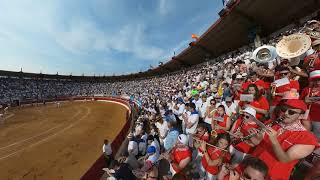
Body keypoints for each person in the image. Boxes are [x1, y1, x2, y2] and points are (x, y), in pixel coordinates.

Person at [248, 99, 318, 180]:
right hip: (251, 168)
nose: (286, 113)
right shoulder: (272, 123)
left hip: (272, 175)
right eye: (284, 109)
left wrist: (274, 140)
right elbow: (259, 144)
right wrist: (255, 139)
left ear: (301, 116)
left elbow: (284, 159)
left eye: (291, 112)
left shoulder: (308, 138)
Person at [301, 70, 320, 138]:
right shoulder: (306, 90)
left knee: (317, 136)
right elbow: (299, 102)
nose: (318, 82)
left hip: (318, 118)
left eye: (319, 80)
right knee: (305, 135)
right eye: (315, 80)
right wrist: (304, 101)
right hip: (306, 116)